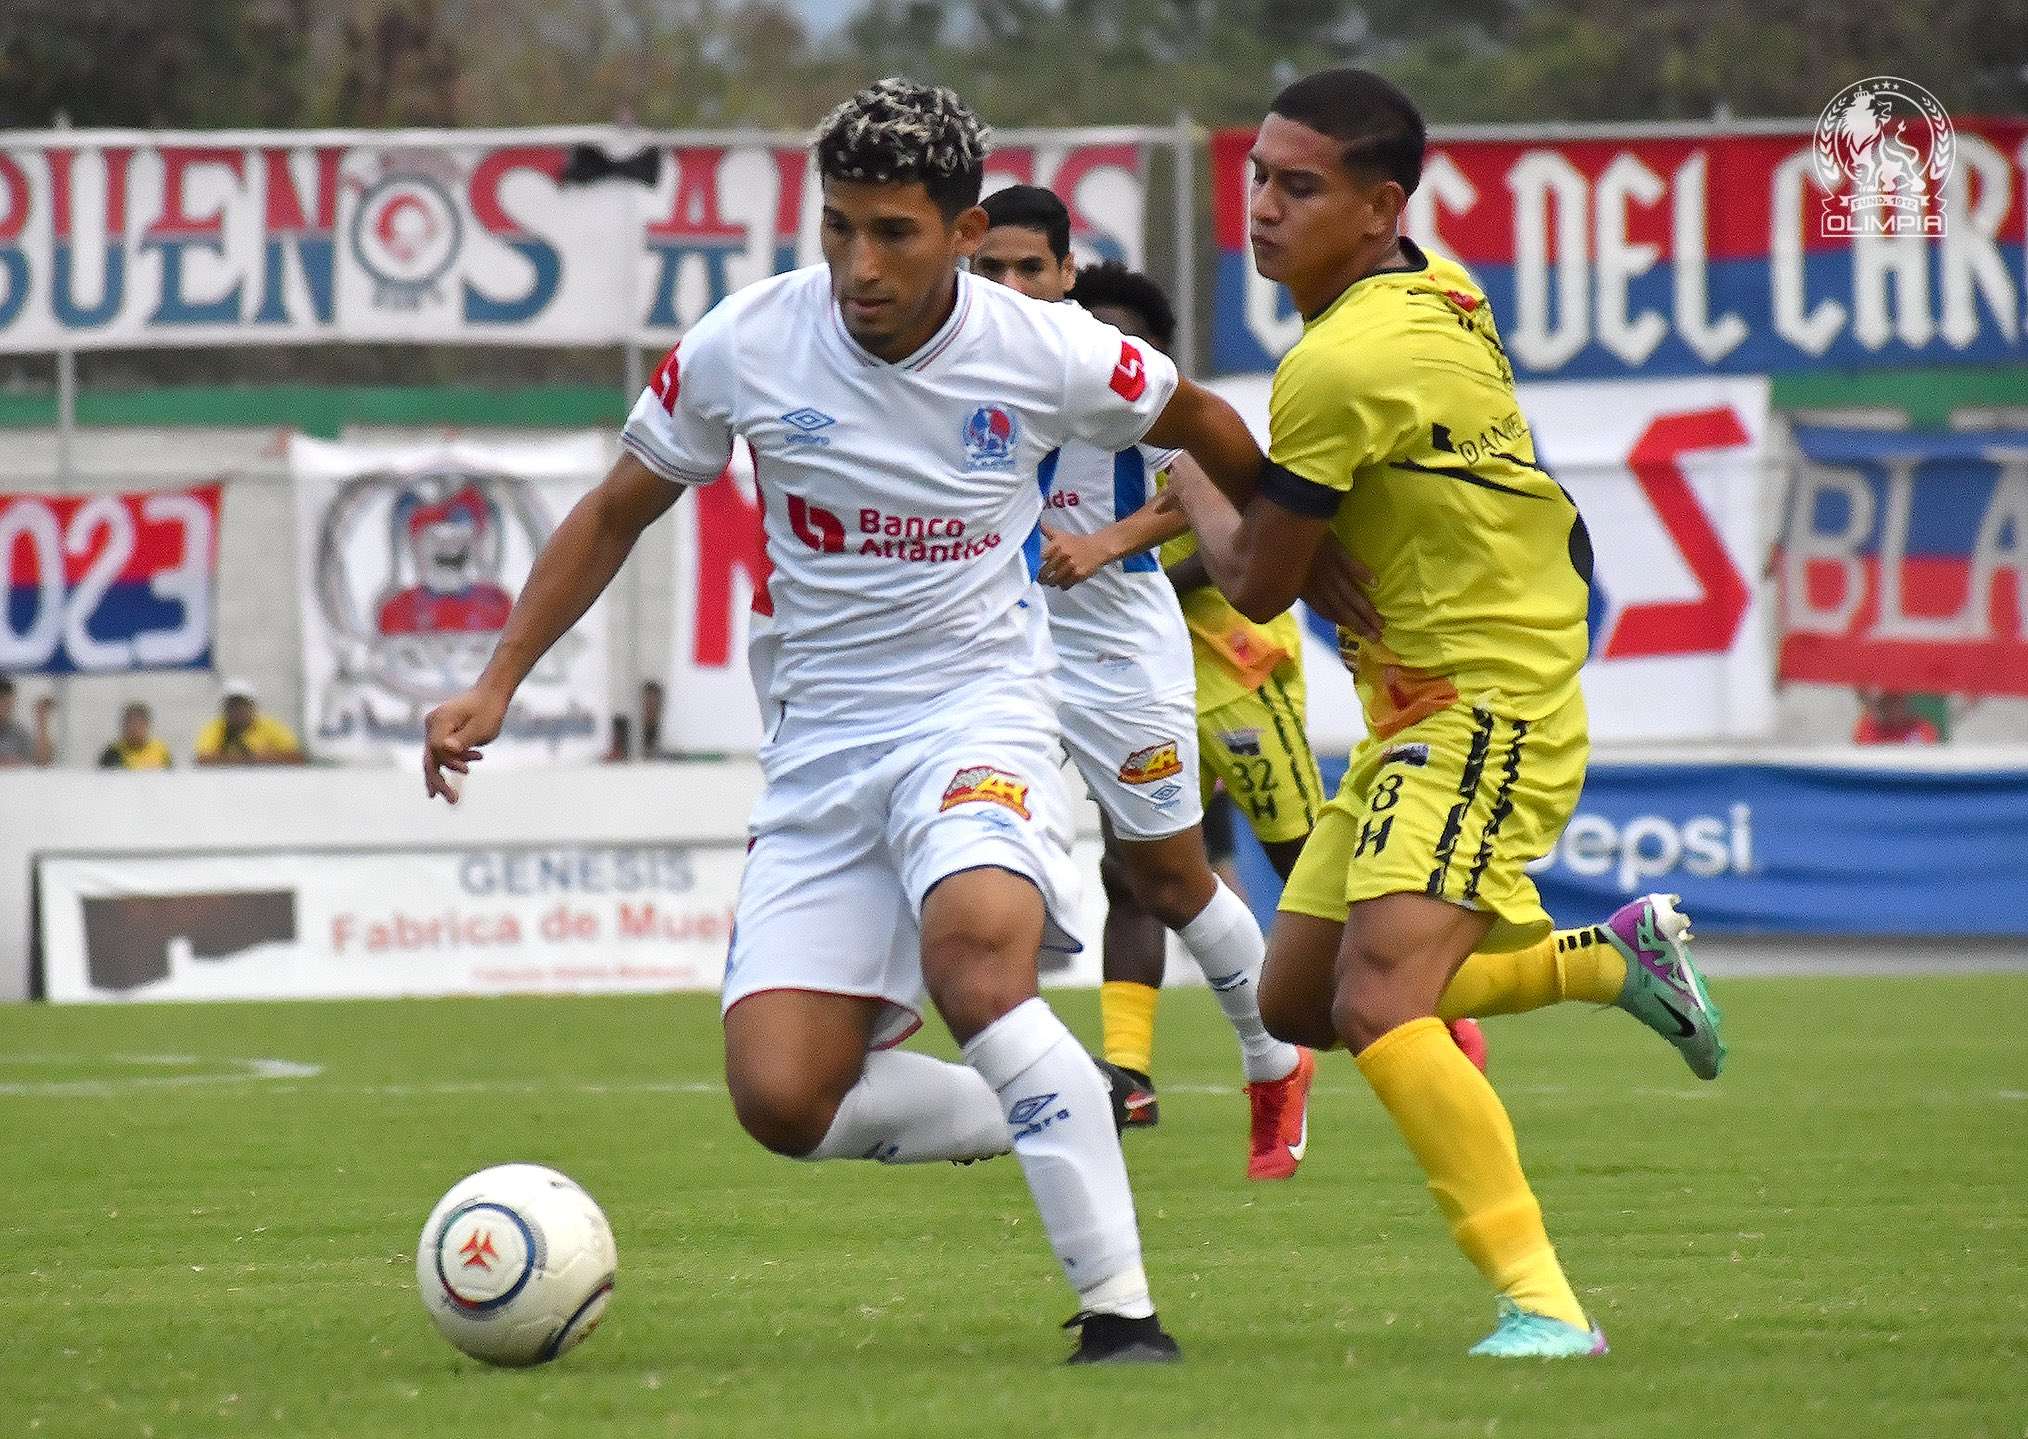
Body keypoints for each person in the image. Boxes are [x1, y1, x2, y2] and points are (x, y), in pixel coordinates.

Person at [423, 79, 1311, 1365]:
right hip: (822, 747)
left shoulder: (1047, 349)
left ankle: (1122, 1315)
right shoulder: (748, 341)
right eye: (839, 226)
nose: (860, 264)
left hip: (979, 711)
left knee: (979, 966)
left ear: (963, 231)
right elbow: (618, 507)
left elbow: (1210, 423)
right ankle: (1052, 1099)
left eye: (894, 232)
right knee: (783, 1097)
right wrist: (499, 677)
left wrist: (1294, 557)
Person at [1165, 68, 1727, 1358]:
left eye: (1299, 187)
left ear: (1381, 208)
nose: (1262, 208)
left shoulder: (1342, 361)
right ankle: (1607, 961)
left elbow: (1256, 579)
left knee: (1380, 1002)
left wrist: (1190, 461)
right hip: (1416, 707)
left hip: (1485, 699)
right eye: (1257, 177)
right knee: (1301, 1001)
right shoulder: (1436, 284)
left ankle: (1546, 1305)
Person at [1031, 253, 1488, 1125]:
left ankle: (1433, 1007)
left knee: (1300, 860)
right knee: (1135, 875)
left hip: (1233, 667)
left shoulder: (1162, 411)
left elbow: (1238, 528)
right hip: (1093, 669)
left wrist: (1122, 561)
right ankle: (1131, 1072)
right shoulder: (1030, 399)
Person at [975, 186, 1315, 1181]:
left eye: (1029, 267)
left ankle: (1273, 1055)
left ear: (1065, 274)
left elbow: (1202, 479)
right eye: (990, 268)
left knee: (1168, 879)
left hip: (1120, 653)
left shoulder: (1110, 367)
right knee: (978, 854)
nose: (1009, 286)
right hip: (999, 653)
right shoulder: (941, 361)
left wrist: (1105, 542)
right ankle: (1039, 1074)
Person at [194, 679, 304, 765]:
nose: (236, 711)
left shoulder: (270, 726)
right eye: (232, 706)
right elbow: (203, 759)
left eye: (241, 705)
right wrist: (251, 759)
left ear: (252, 707)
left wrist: (240, 760)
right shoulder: (216, 728)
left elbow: (296, 757)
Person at [98, 702, 172, 770]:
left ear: (147, 725)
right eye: (130, 724)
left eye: (138, 725)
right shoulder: (113, 753)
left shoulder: (161, 751)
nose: (134, 729)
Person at [1852, 689, 1942, 745]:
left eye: (1899, 701)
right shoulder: (1868, 729)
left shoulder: (1923, 729)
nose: (1895, 708)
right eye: (1889, 703)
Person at [0, 679, 55, 767]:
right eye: (2, 700)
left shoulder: (18, 733)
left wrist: (42, 721)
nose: (4, 706)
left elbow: (43, 761)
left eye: (7, 702)